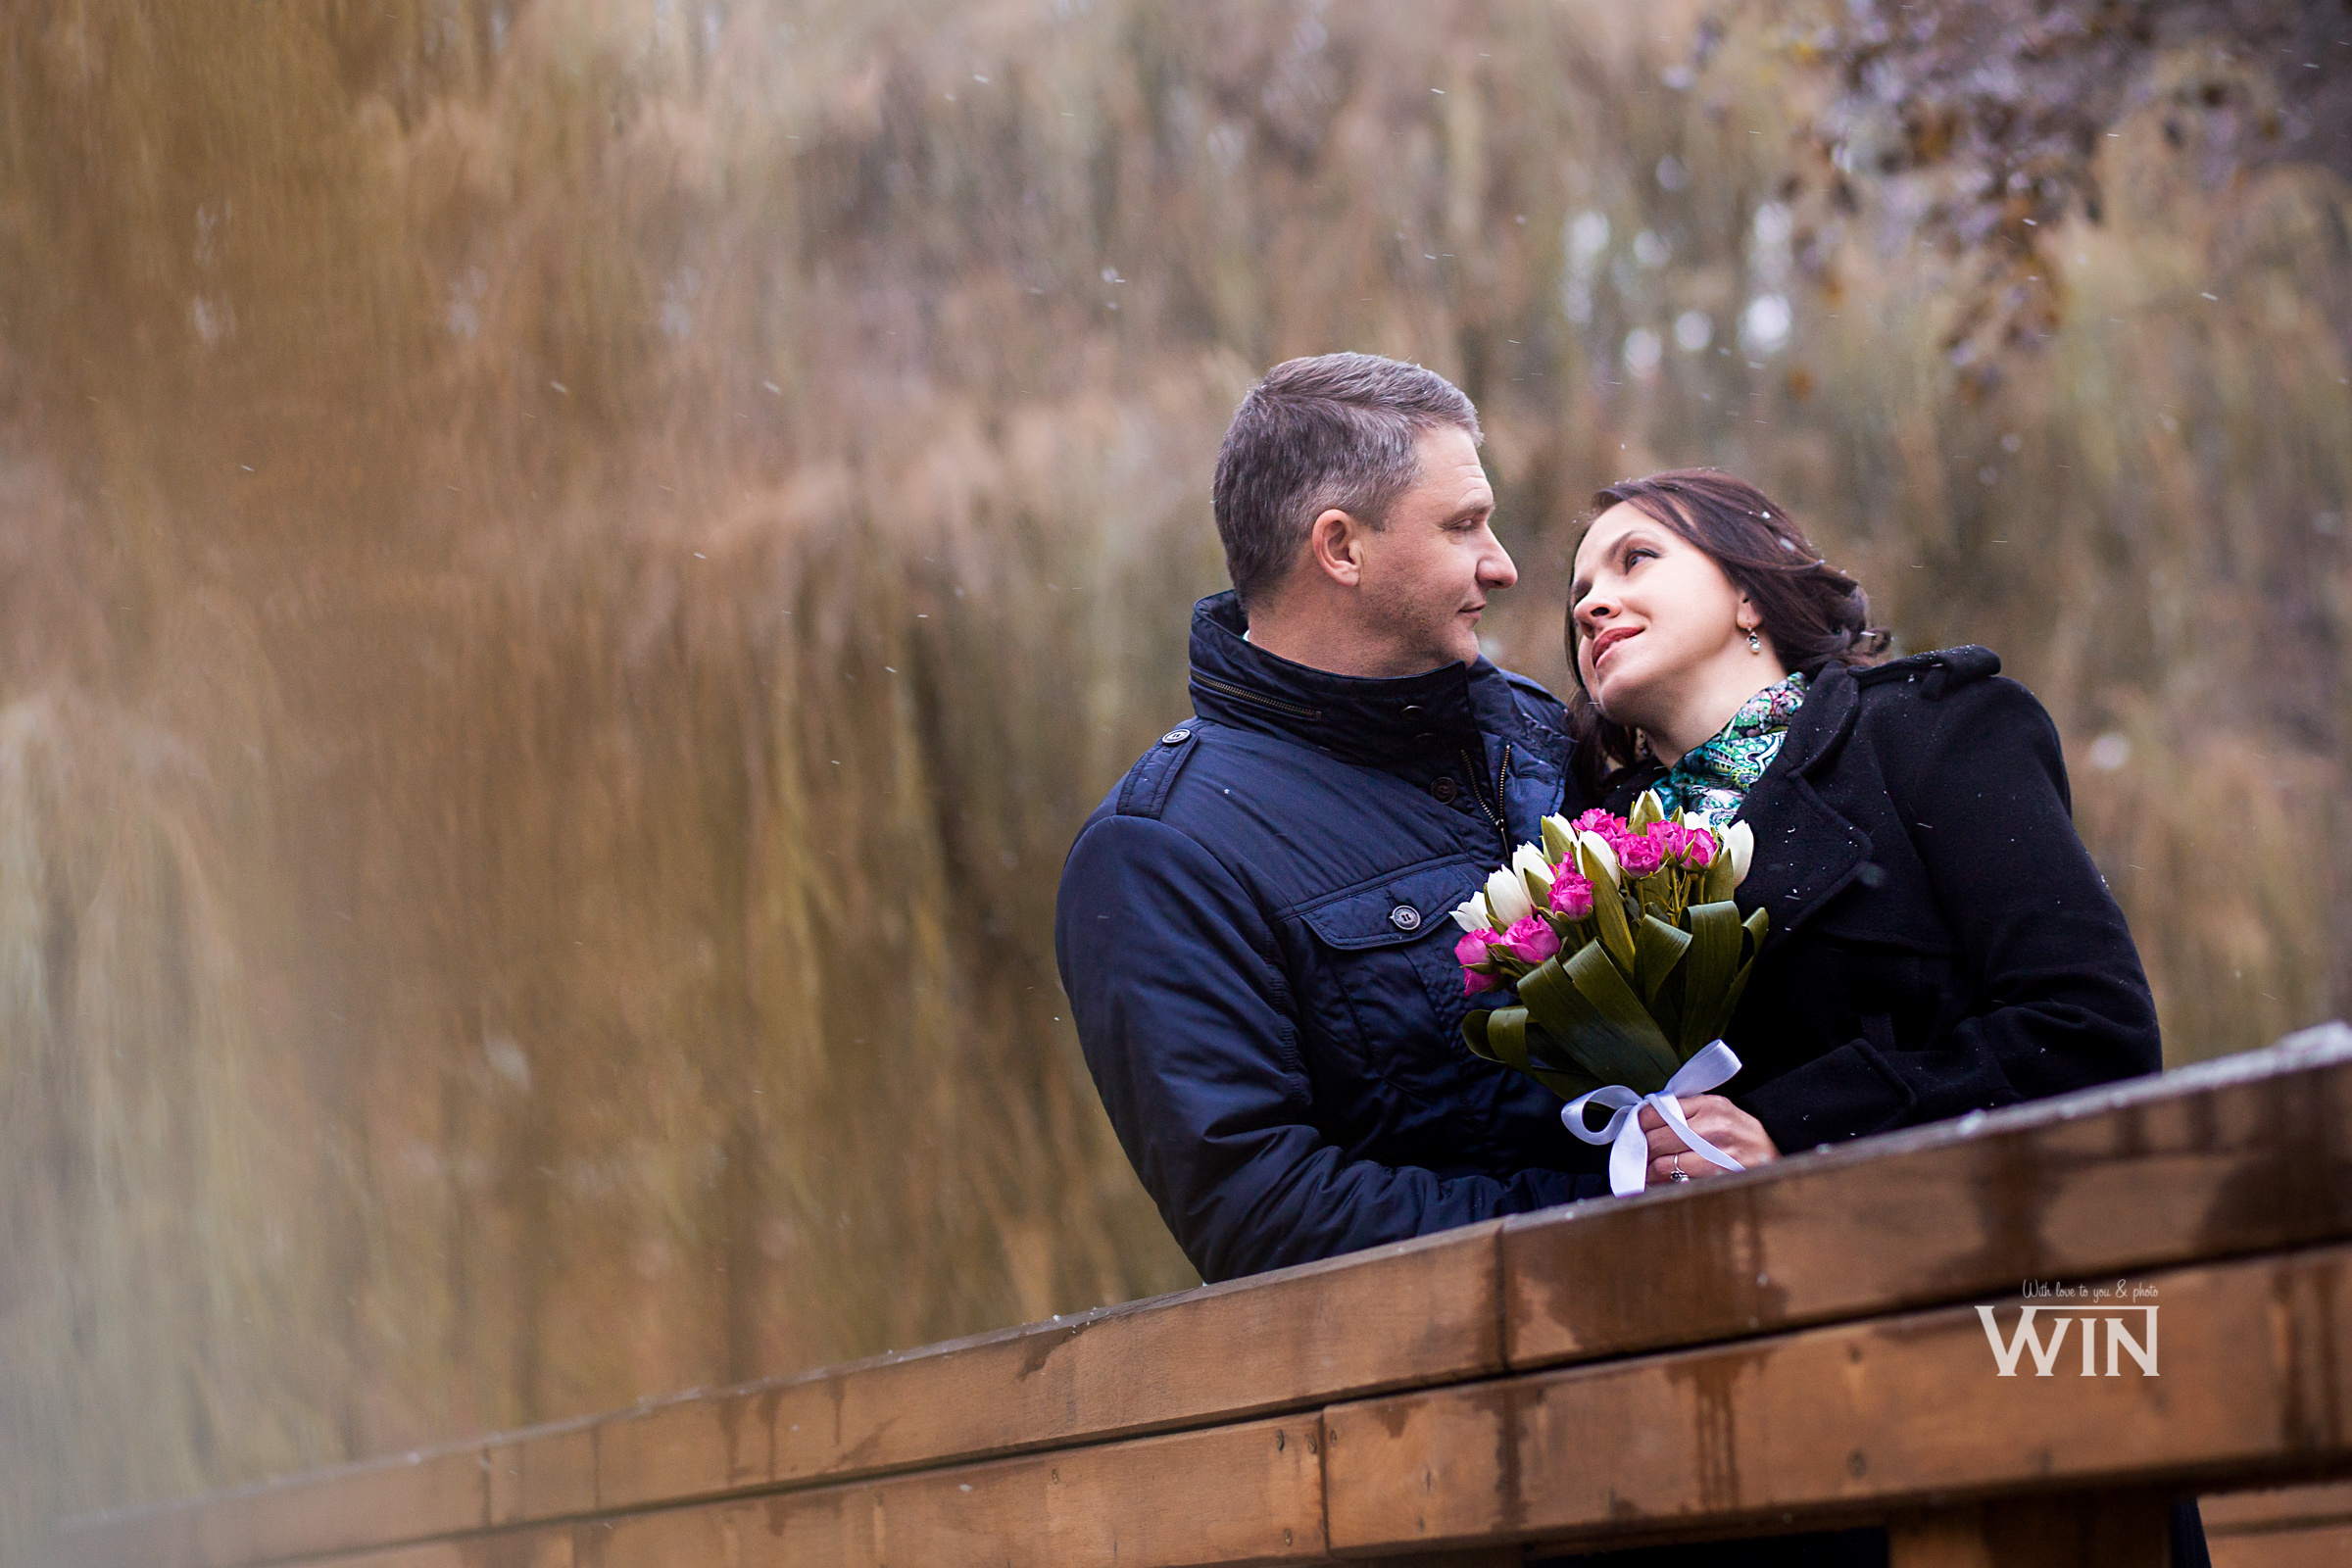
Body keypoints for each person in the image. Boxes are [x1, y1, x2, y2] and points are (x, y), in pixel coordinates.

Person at [1559, 467, 2207, 1567]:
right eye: (1575, 589)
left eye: (1635, 559)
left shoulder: (1933, 732)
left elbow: (2088, 1029)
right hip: (1743, 1408)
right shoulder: (1580, 871)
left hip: (2007, 1349)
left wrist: (1792, 1128)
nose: (1587, 602)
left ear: (1752, 592)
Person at [1054, 352, 1609, 1285]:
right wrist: (1617, 1205)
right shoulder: (1163, 855)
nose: (1502, 565)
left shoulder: (1543, 732)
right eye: (1463, 525)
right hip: (1455, 1400)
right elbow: (1264, 1212)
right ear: (1341, 547)